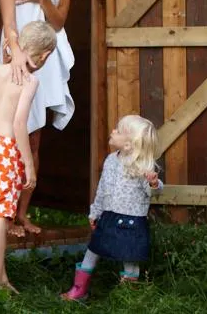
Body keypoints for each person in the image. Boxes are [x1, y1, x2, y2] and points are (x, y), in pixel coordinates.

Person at [0, 0, 82, 236]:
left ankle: (21, 214)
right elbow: (8, 23)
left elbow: (58, 23)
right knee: (10, 132)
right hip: (15, 49)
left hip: (43, 53)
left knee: (34, 137)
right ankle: (2, 216)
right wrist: (16, 54)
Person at [0, 21, 58, 293]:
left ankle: (0, 274)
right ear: (43, 56)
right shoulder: (30, 82)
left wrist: (12, 48)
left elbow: (9, 47)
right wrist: (29, 164)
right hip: (5, 149)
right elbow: (20, 124)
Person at [61, 114, 163, 301]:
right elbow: (103, 189)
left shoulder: (141, 166)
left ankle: (127, 297)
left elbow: (153, 192)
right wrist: (95, 212)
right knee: (93, 249)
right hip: (108, 216)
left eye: (119, 130)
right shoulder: (110, 160)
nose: (113, 131)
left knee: (129, 256)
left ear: (128, 144)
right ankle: (79, 290)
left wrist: (154, 183)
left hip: (131, 221)